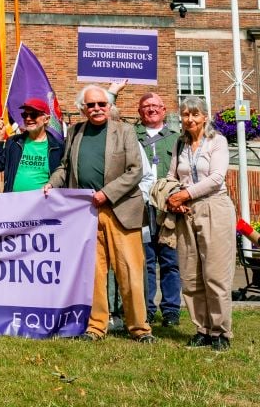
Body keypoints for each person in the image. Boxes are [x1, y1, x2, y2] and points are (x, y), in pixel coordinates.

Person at [45, 85, 153, 343]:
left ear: (109, 106)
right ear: (83, 108)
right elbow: (65, 166)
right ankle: (95, 327)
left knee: (130, 272)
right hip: (86, 214)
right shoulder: (74, 132)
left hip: (121, 211)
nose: (97, 109)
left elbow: (135, 170)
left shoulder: (125, 131)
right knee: (93, 273)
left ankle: (139, 328)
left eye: (101, 104)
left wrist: (107, 192)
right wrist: (53, 183)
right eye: (91, 105)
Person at [162, 96, 233, 351]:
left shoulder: (218, 141)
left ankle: (220, 332)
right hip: (186, 212)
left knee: (215, 274)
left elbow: (216, 178)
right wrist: (174, 198)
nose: (189, 119)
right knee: (191, 275)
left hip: (214, 207)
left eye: (195, 114)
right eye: (185, 114)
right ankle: (201, 329)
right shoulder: (180, 143)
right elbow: (171, 176)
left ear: (205, 116)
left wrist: (185, 194)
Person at [135, 92, 181, 327]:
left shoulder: (177, 138)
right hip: (141, 205)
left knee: (170, 259)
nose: (151, 109)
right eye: (146, 106)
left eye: (156, 106)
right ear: (140, 111)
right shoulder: (131, 136)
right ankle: (147, 308)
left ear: (164, 110)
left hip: (168, 206)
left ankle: (172, 309)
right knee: (146, 259)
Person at [0, 98, 65, 192]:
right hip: (14, 203)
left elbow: (63, 175)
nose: (28, 119)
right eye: (25, 115)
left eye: (33, 115)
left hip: (42, 203)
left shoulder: (58, 147)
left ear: (46, 119)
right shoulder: (14, 142)